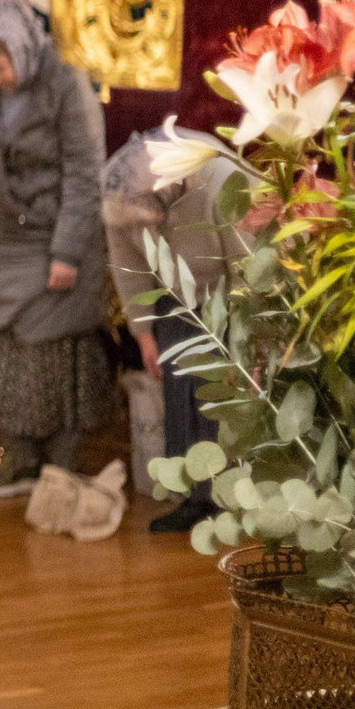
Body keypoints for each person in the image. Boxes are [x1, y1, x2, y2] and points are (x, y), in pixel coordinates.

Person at [0, 0, 110, 498]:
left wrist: (67, 252)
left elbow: (84, 173)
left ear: (22, 51)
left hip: (57, 232)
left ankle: (61, 458)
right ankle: (19, 454)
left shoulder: (64, 83)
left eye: (0, 66)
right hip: (0, 237)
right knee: (5, 347)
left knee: (51, 347)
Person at [103, 124, 245, 534]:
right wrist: (143, 332)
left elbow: (248, 268)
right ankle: (194, 497)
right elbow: (126, 263)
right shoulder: (120, 187)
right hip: (175, 295)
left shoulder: (220, 179)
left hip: (231, 289)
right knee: (180, 391)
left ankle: (230, 499)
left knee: (223, 393)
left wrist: (247, 347)